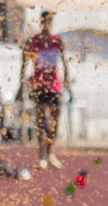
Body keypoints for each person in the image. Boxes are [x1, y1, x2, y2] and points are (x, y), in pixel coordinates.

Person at [18, 11, 70, 170]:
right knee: (41, 121)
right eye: (44, 22)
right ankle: (41, 155)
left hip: (54, 86)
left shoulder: (57, 41)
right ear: (41, 23)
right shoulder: (34, 41)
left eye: (49, 22)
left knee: (54, 122)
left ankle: (51, 153)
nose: (47, 25)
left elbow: (65, 62)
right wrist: (22, 85)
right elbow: (24, 63)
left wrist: (67, 79)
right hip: (39, 86)